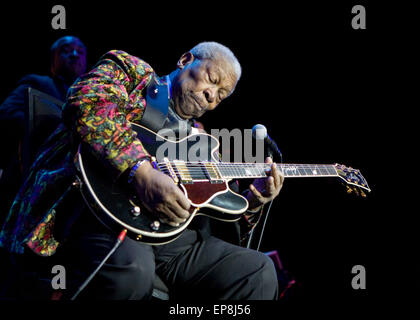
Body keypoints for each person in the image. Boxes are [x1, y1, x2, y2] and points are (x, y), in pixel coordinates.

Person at [0, 42, 284, 300]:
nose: (211, 96)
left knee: (258, 271)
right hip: (99, 211)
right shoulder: (133, 73)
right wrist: (141, 172)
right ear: (185, 60)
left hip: (175, 241)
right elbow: (87, 103)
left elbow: (221, 215)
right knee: (133, 270)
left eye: (221, 96)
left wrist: (253, 199)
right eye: (211, 79)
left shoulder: (203, 142)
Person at [0, 35, 87, 219]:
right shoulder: (38, 83)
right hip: (28, 186)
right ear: (53, 59)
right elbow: (7, 112)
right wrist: (53, 126)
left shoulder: (89, 100)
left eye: (80, 52)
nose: (74, 54)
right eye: (66, 50)